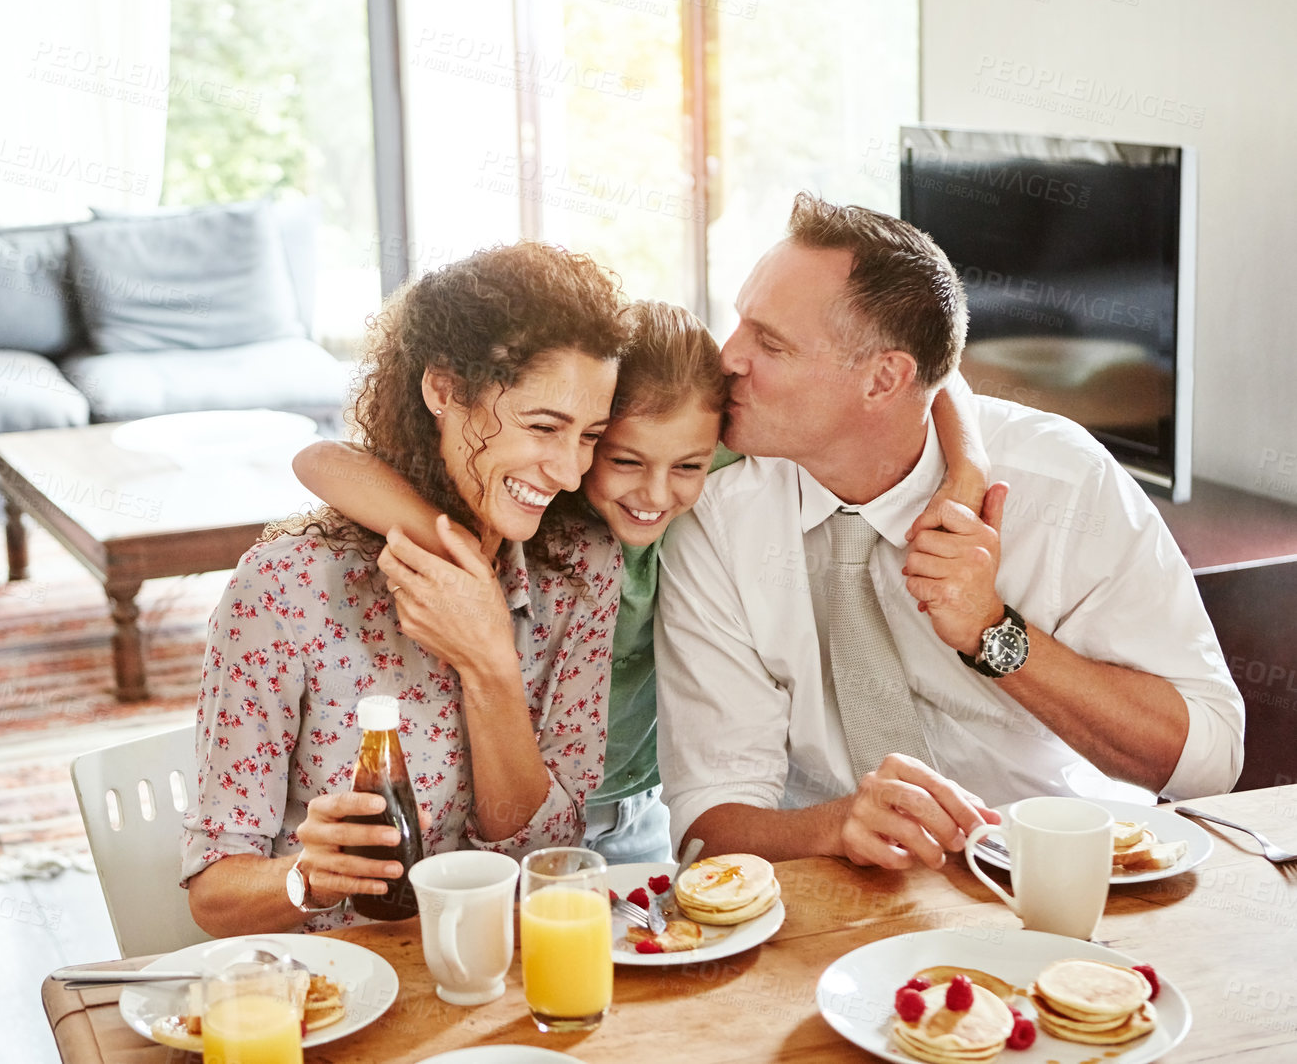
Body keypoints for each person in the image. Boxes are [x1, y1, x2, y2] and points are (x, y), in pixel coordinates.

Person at [656, 193, 1246, 872]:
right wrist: (834, 825)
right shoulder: (715, 507)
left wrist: (995, 635)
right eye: (739, 325)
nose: (726, 356)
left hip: (1055, 877)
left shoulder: (1060, 481)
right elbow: (707, 821)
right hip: (836, 896)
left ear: (884, 379)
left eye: (770, 342)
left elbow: (1208, 759)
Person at [296, 300, 991, 864]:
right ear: (591, 437)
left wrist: (966, 468)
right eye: (623, 459)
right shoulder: (543, 506)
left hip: (642, 818)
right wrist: (457, 557)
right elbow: (320, 458)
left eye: (685, 467)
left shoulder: (703, 463)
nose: (654, 493)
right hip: (511, 820)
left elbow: (933, 375)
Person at [182, 241, 630, 936]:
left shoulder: (579, 569)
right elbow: (215, 894)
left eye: (589, 436)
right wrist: (309, 874)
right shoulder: (286, 586)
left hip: (504, 970)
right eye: (543, 427)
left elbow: (540, 856)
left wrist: (489, 664)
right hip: (339, 986)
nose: (569, 472)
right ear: (444, 390)